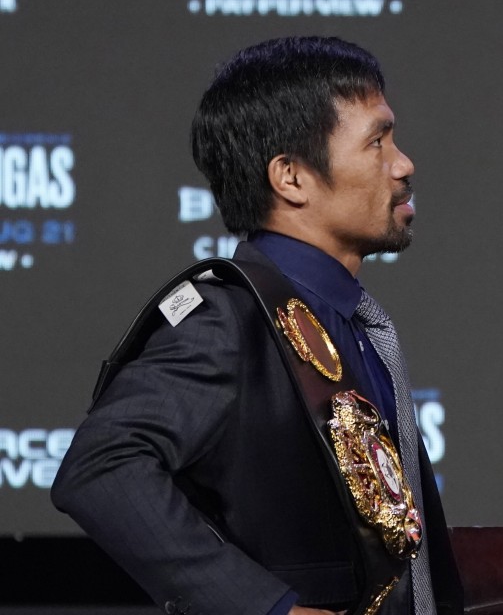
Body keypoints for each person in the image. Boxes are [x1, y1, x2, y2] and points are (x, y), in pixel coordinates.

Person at [52, 37, 463, 615]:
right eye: (376, 141)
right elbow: (100, 467)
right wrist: (266, 609)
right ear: (291, 178)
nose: (403, 164)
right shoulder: (228, 318)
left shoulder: (355, 323)